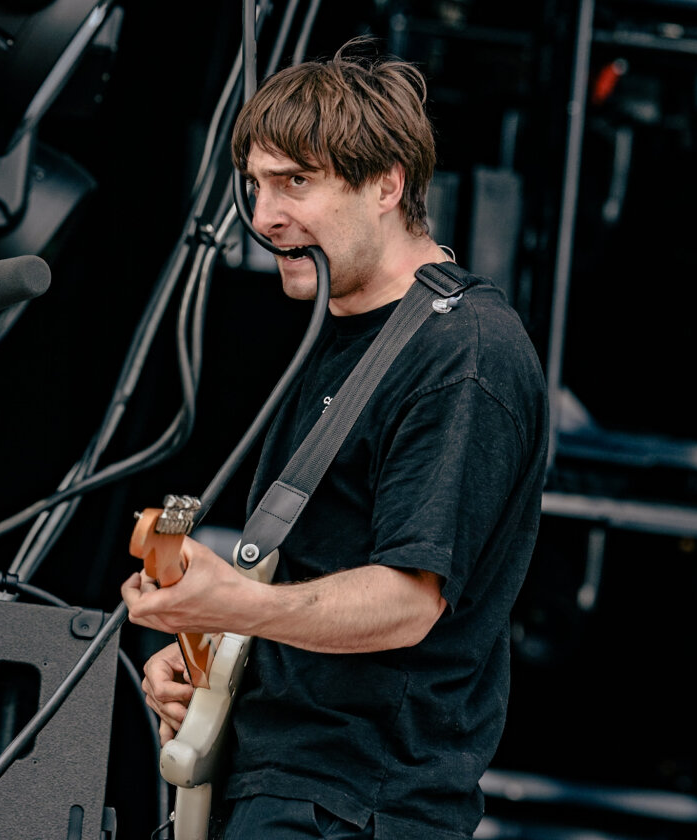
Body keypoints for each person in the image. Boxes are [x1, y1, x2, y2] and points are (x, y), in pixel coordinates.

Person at [121, 35, 549, 840]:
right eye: (254, 185)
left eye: (295, 182)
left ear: (387, 185)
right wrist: (204, 651)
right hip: (285, 787)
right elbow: (310, 577)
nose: (263, 216)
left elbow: (406, 602)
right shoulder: (342, 336)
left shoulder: (464, 353)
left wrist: (238, 602)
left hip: (356, 806)